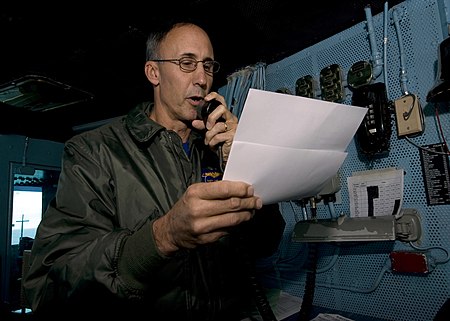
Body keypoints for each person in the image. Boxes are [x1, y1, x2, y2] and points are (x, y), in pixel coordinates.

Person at [23, 20, 285, 321]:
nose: (202, 78)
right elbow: (47, 288)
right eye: (187, 63)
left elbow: (267, 244)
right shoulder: (94, 152)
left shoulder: (216, 151)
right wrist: (163, 236)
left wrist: (244, 161)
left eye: (208, 66)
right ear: (154, 72)